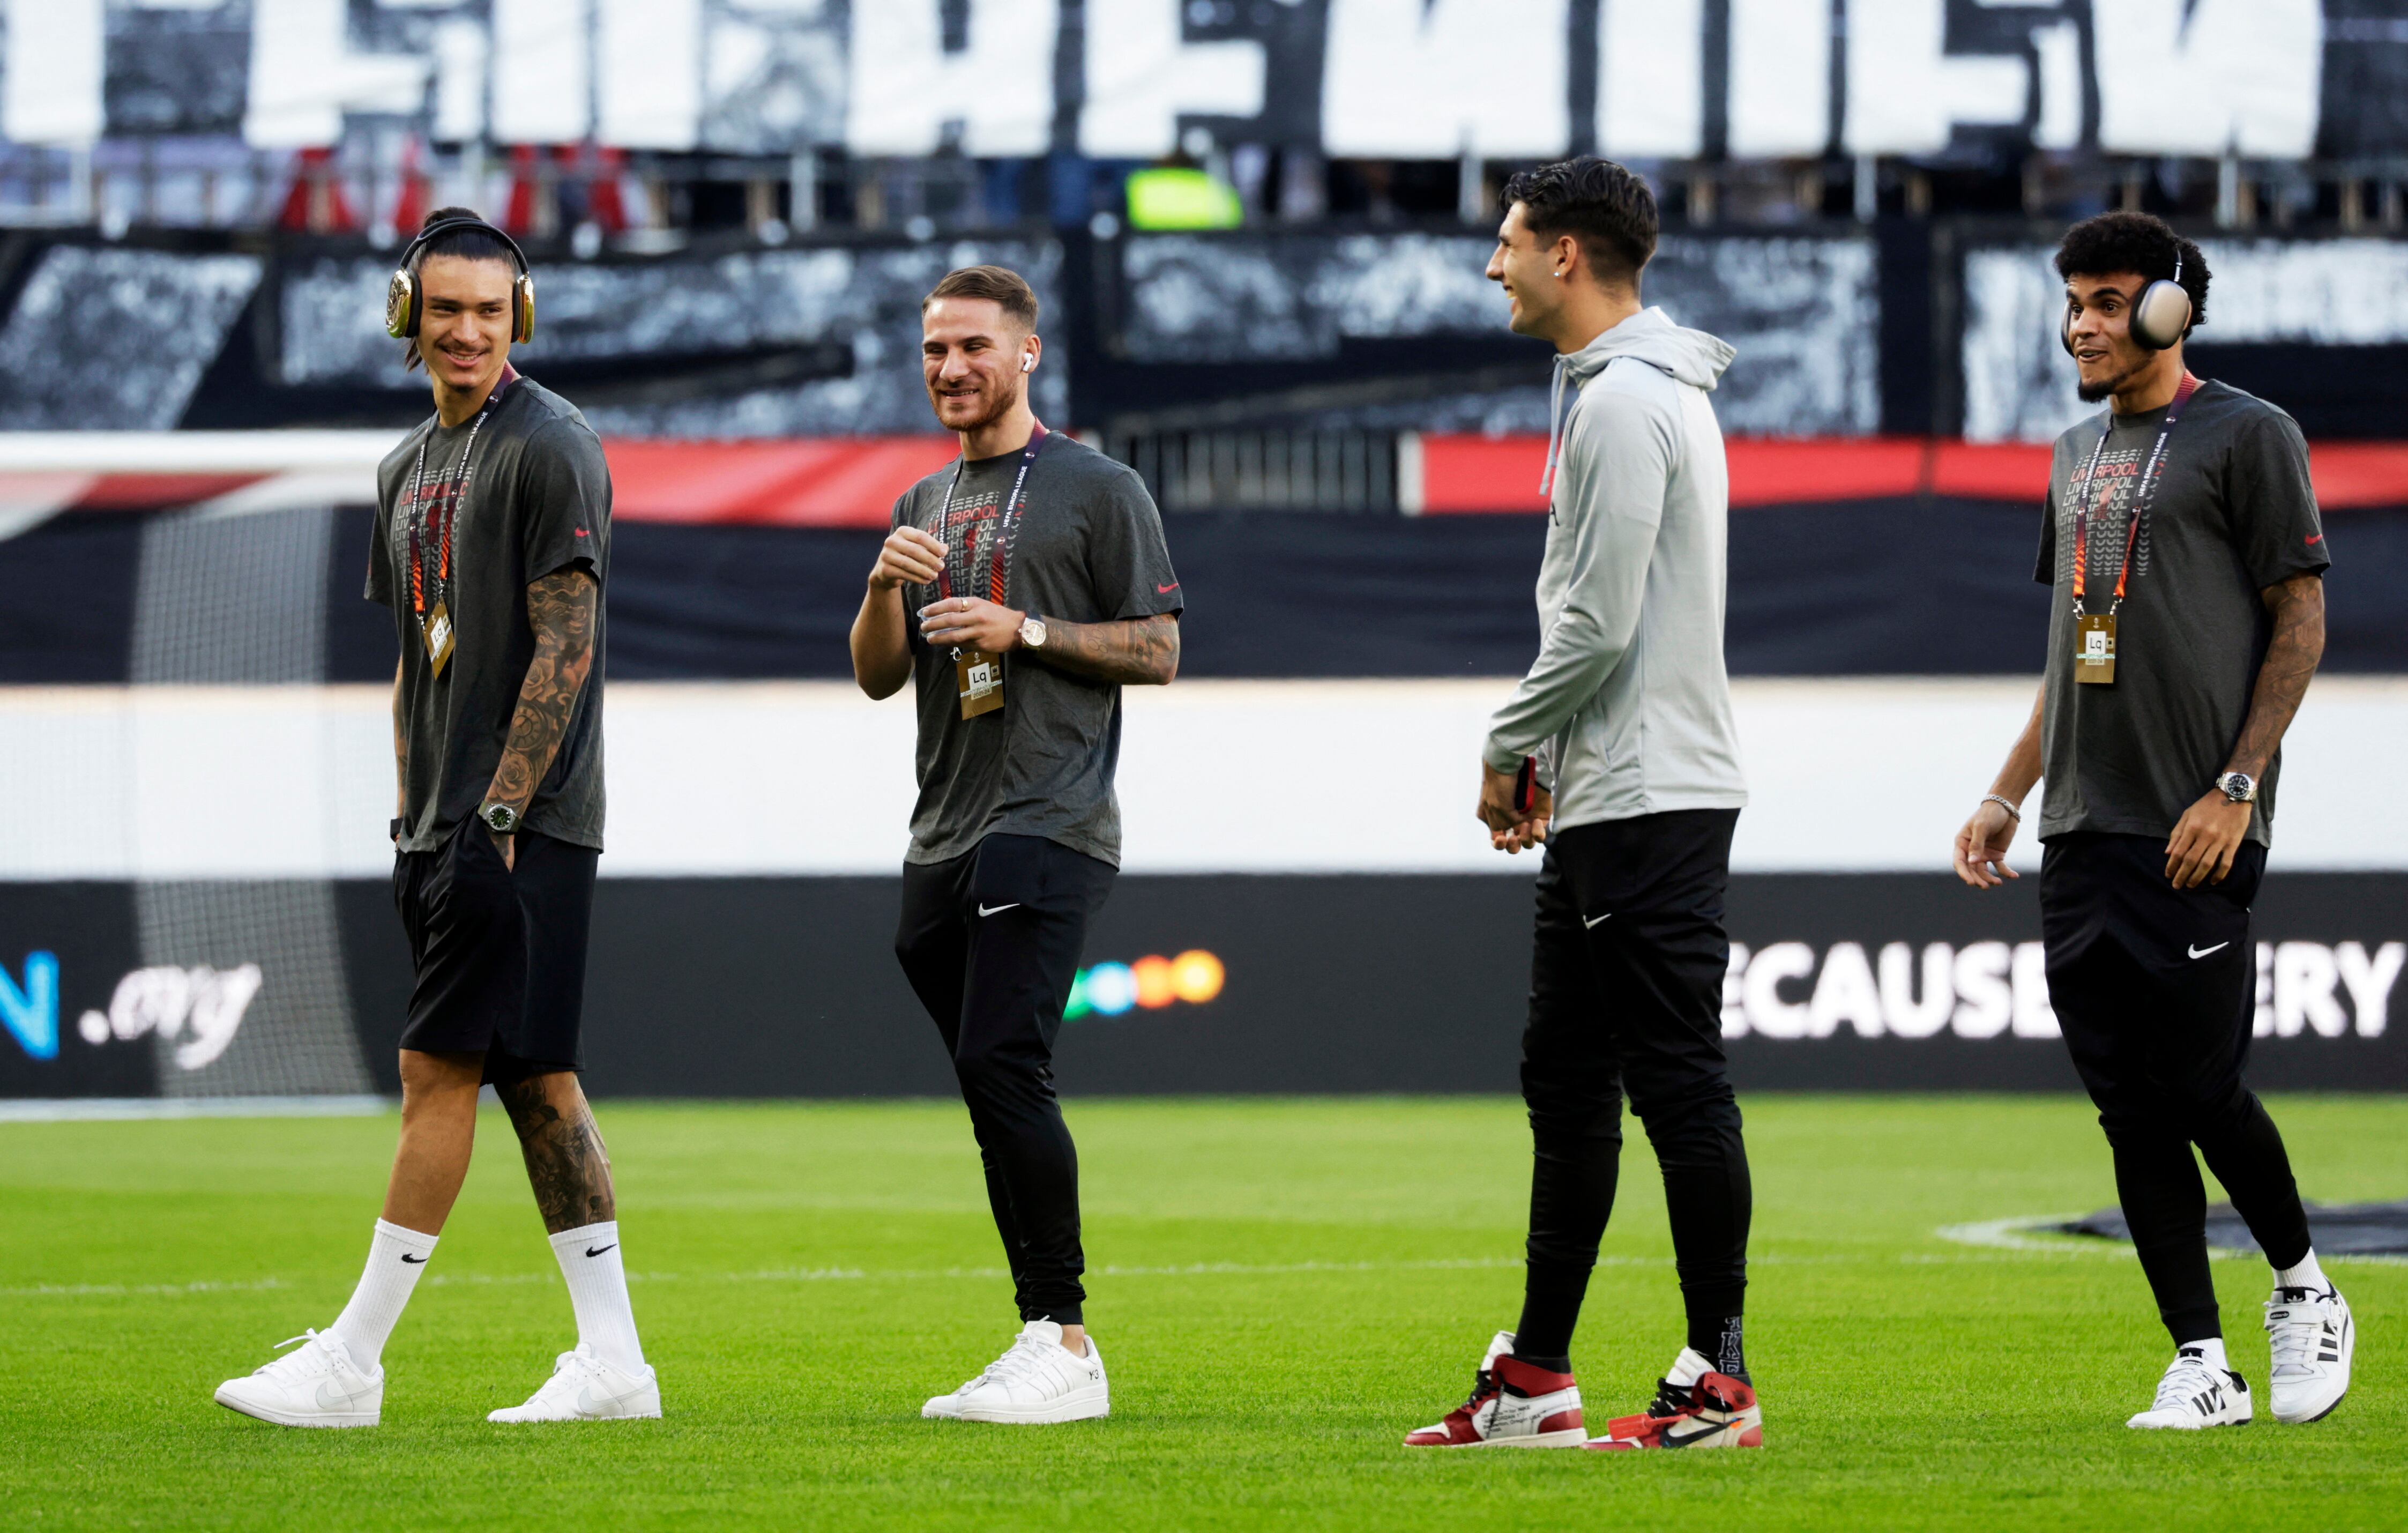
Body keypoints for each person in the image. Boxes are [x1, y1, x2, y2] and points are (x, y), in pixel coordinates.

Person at [214, 209, 656, 1428]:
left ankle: (353, 1359)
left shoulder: (551, 442)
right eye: (446, 307)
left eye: (491, 308)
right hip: (441, 823)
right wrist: (417, 817)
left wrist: (498, 809)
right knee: (539, 1083)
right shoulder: (406, 466)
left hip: (520, 819)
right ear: (408, 314)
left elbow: (568, 637)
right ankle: (615, 1362)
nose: (469, 329)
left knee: (434, 1070)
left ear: (521, 315)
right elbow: (423, 651)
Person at [1955, 212, 2350, 1431]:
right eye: (2074, 298)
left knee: (2204, 1085)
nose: (2082, 321)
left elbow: (2300, 617)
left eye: (2112, 298)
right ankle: (2202, 1359)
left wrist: (2235, 787)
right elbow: (2072, 645)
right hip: (2081, 823)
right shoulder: (2075, 452)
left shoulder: (2251, 433)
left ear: (2175, 309)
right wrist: (2007, 788)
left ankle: (2303, 1284)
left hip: (2195, 820)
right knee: (2127, 1103)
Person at [1405, 158, 1760, 1452]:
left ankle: (1722, 1378)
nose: (1491, 264)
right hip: (1619, 786)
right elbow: (1610, 615)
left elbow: (1602, 622)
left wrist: (1510, 739)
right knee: (1567, 1078)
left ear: (1566, 254)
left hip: (1654, 791)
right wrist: (1558, 754)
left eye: (1506, 242)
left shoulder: (1622, 403)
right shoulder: (1619, 392)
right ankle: (1539, 1375)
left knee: (1674, 1082)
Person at [849, 265, 1182, 1425]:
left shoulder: (1097, 486)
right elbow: (880, 676)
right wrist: (880, 588)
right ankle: (1039, 1332)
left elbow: (1159, 649)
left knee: (1003, 1063)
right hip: (941, 830)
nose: (951, 367)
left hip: (1049, 817)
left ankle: (1065, 1337)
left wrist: (1023, 627)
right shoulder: (923, 498)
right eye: (936, 347)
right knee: (994, 1083)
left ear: (1027, 354)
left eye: (974, 347)